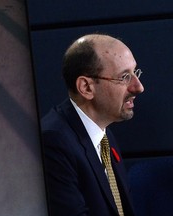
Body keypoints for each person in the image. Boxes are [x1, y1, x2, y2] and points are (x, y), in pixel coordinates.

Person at [41, 34, 144, 216]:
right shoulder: (53, 143)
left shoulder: (104, 133)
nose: (138, 87)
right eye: (124, 77)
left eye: (135, 73)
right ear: (87, 87)